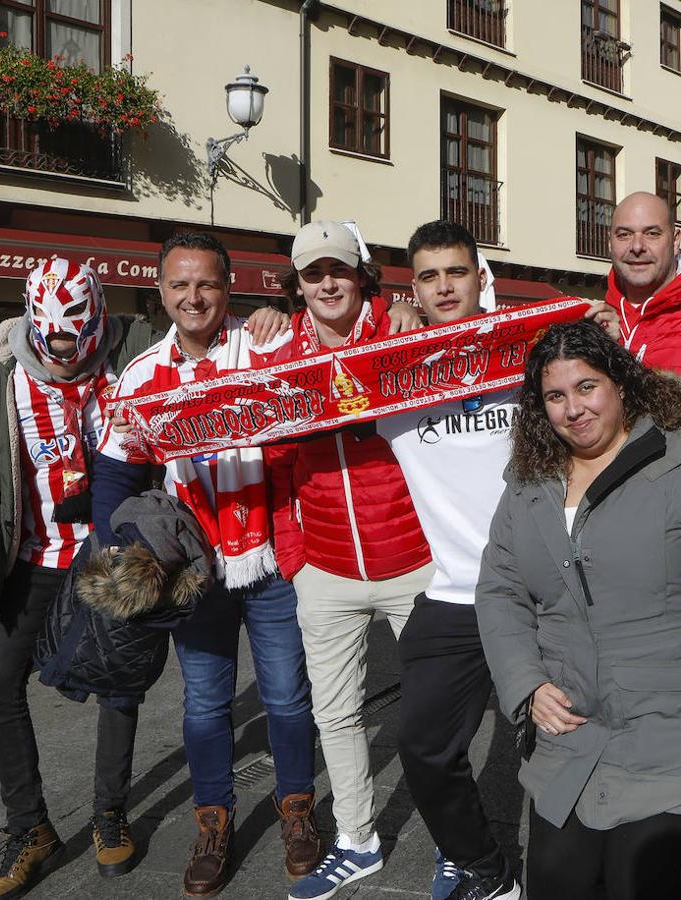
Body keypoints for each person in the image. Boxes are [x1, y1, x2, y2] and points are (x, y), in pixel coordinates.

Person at [474, 321, 681, 900]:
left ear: (621, 385)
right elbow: (500, 589)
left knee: (636, 882)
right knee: (556, 884)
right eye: (555, 396)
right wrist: (524, 682)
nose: (573, 409)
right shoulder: (529, 483)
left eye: (587, 387)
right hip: (574, 728)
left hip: (673, 720)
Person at [372, 220, 620, 900]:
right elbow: (303, 371)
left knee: (567, 742)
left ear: (482, 278)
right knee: (424, 749)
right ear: (412, 289)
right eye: (428, 276)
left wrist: (600, 327)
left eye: (456, 271)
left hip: (542, 588)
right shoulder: (390, 373)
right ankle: (486, 868)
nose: (443, 286)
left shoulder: (529, 357)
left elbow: (596, 389)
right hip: (454, 594)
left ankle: (579, 872)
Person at [91, 232, 322, 897]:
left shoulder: (267, 345)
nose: (195, 297)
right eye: (180, 285)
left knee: (284, 695)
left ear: (229, 286)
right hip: (194, 572)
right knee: (205, 704)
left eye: (209, 284)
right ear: (161, 290)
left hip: (269, 558)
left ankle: (297, 813)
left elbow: (339, 357)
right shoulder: (140, 375)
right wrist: (121, 547)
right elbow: (114, 474)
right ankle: (213, 822)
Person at [0, 258, 158, 898]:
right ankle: (30, 826)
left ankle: (108, 811)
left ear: (95, 324)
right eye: (53, 344)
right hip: (30, 559)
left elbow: (215, 336)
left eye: (75, 341)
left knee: (118, 684)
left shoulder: (133, 356)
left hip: (106, 557)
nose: (64, 355)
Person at [265, 220, 434, 900]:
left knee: (431, 711)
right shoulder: (280, 354)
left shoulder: (402, 332)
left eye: (337, 269)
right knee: (334, 714)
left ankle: (455, 839)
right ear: (298, 284)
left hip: (412, 560)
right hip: (327, 567)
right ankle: (357, 839)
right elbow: (275, 458)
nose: (326, 283)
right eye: (312, 273)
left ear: (361, 275)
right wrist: (293, 553)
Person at [606, 191, 681, 372]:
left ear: (675, 240)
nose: (637, 247)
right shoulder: (595, 324)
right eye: (624, 235)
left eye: (652, 234)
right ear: (610, 243)